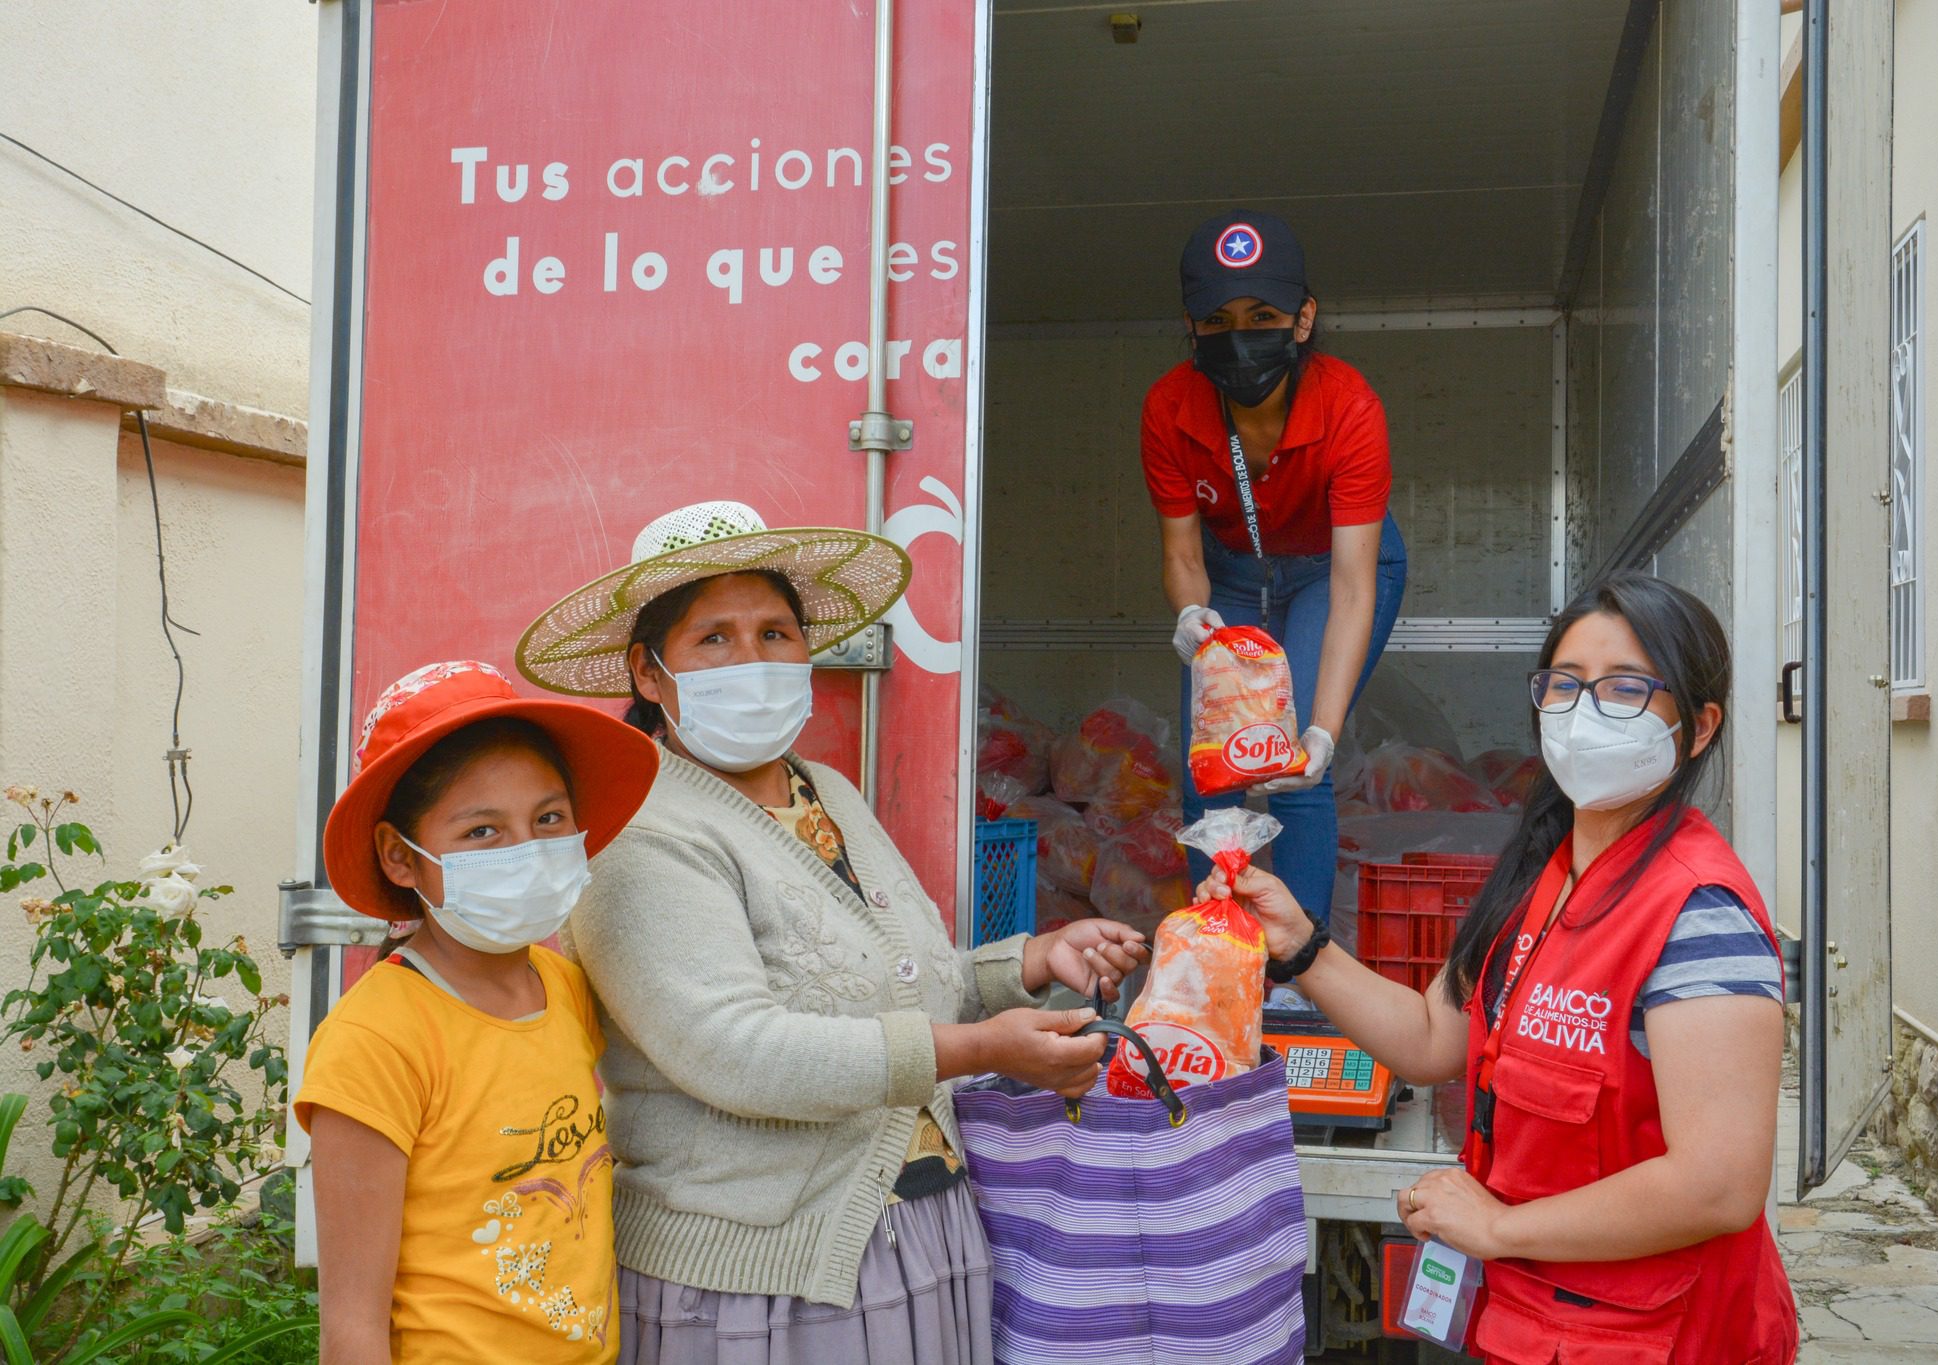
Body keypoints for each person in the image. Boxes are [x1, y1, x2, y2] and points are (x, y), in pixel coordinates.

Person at [515, 499, 1152, 1365]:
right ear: (650, 673)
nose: (754, 659)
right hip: (760, 1279)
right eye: (716, 638)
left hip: (918, 1241)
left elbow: (898, 989)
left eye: (776, 633)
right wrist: (979, 1048)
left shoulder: (829, 793)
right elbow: (737, 1049)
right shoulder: (639, 833)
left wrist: (1030, 962)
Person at [1203, 572, 1797, 1363]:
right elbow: (1429, 1036)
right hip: (1533, 1319)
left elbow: (1718, 1183)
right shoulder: (1538, 876)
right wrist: (1300, 943)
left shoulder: (1699, 912)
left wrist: (1498, 1226)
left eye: (1624, 689)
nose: (1585, 713)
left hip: (1662, 1337)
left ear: (1697, 726)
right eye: (1565, 684)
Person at [295, 659, 661, 1363]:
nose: (527, 849)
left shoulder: (564, 987)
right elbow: (351, 1326)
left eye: (548, 818)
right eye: (483, 832)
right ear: (401, 858)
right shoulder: (374, 1039)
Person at [1143, 209, 1409, 924]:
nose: (1240, 335)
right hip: (1230, 570)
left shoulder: (1350, 406)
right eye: (1217, 319)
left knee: (1294, 768)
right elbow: (1182, 554)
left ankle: (1299, 969)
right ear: (1193, 325)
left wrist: (1321, 728)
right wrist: (1190, 614)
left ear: (1303, 317)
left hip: (1335, 568)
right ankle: (1218, 946)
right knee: (1213, 768)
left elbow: (1353, 585)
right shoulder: (1170, 408)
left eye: (1262, 314)